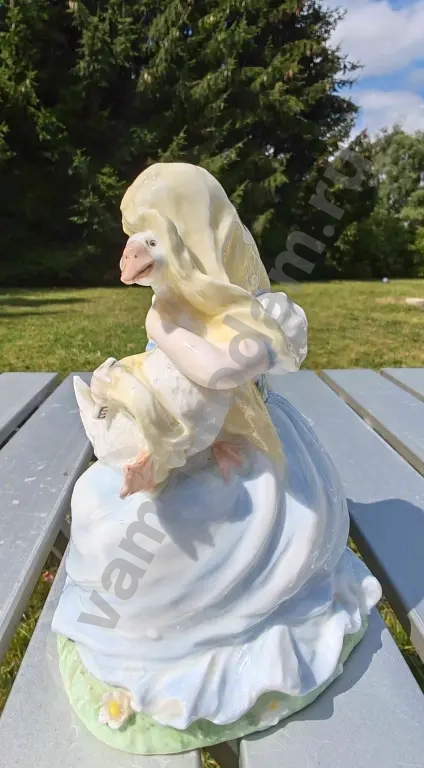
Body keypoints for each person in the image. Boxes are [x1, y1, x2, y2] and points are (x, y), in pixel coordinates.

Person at [52, 163, 381, 755]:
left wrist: (180, 332)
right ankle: (143, 625)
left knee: (180, 535)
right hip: (182, 443)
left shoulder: (245, 310)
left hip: (247, 453)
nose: (136, 254)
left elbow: (228, 371)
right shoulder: (169, 307)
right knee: (100, 505)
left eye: (155, 237)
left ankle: (220, 628)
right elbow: (183, 378)